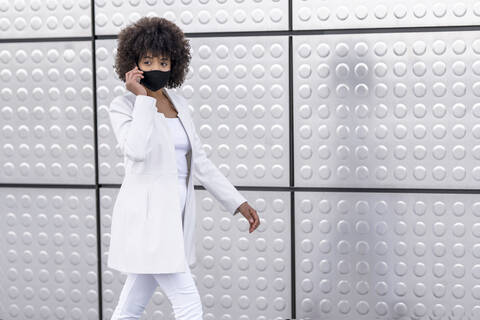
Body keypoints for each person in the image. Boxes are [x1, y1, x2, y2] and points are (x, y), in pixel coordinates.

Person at [108, 17, 260, 319]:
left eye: (164, 62)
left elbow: (199, 161)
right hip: (149, 218)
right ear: (133, 63)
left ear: (174, 65)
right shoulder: (124, 106)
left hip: (176, 213)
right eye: (148, 60)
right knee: (188, 301)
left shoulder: (179, 103)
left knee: (132, 305)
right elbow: (136, 151)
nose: (157, 68)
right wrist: (141, 99)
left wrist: (237, 202)